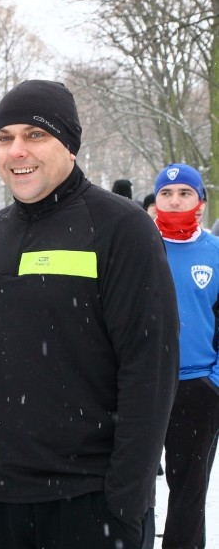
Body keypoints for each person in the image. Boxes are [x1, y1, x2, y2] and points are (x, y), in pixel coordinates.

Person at [0, 80, 179, 549]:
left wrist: (127, 500)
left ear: (69, 144)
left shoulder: (121, 228)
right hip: (2, 499)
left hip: (91, 500)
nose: (17, 150)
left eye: (35, 134)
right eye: (4, 137)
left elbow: (149, 369)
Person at [152, 163, 219, 549]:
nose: (175, 200)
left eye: (184, 193)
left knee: (188, 494)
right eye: (166, 193)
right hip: (143, 385)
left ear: (201, 202)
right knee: (132, 486)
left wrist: (214, 381)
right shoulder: (140, 247)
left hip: (199, 389)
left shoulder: (213, 253)